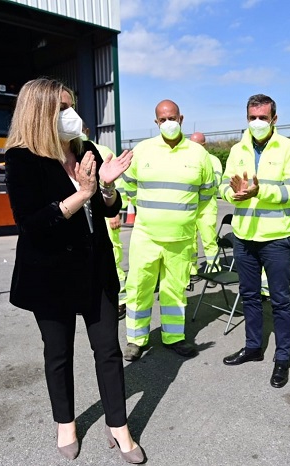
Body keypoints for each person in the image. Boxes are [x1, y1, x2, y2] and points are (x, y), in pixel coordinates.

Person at [4, 78, 144, 463]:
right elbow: (30, 223)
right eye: (63, 108)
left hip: (95, 267)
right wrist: (81, 193)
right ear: (40, 112)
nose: (73, 115)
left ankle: (118, 426)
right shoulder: (23, 158)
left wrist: (107, 188)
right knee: (58, 352)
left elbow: (108, 211)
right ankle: (65, 422)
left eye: (72, 106)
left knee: (109, 350)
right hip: (49, 273)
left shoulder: (87, 149)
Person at [120, 100, 214, 362]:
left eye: (172, 117)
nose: (168, 123)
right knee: (139, 288)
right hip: (146, 236)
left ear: (181, 118)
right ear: (156, 122)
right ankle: (136, 340)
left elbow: (207, 193)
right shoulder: (143, 151)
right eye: (163, 120)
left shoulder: (198, 154)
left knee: (175, 290)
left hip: (181, 238)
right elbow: (128, 187)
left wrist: (183, 217)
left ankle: (173, 337)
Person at [221, 94, 290, 388]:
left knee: (281, 301)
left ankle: (282, 357)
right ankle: (254, 347)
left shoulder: (289, 148)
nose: (257, 123)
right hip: (243, 236)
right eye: (252, 117)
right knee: (250, 295)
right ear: (246, 118)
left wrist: (260, 193)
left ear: (274, 119)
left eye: (263, 117)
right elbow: (224, 187)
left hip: (275, 238)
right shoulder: (237, 149)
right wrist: (235, 194)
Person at [83, 124, 128, 319]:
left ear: (86, 131)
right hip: (83, 216)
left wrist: (116, 213)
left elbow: (121, 185)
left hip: (104, 215)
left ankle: (120, 299)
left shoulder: (101, 151)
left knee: (113, 257)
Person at [189, 131, 224, 281]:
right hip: (190, 207)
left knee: (209, 240)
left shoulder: (213, 160)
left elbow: (215, 181)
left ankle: (213, 271)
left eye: (197, 145)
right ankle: (192, 271)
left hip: (206, 207)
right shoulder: (187, 158)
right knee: (189, 242)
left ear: (204, 145)